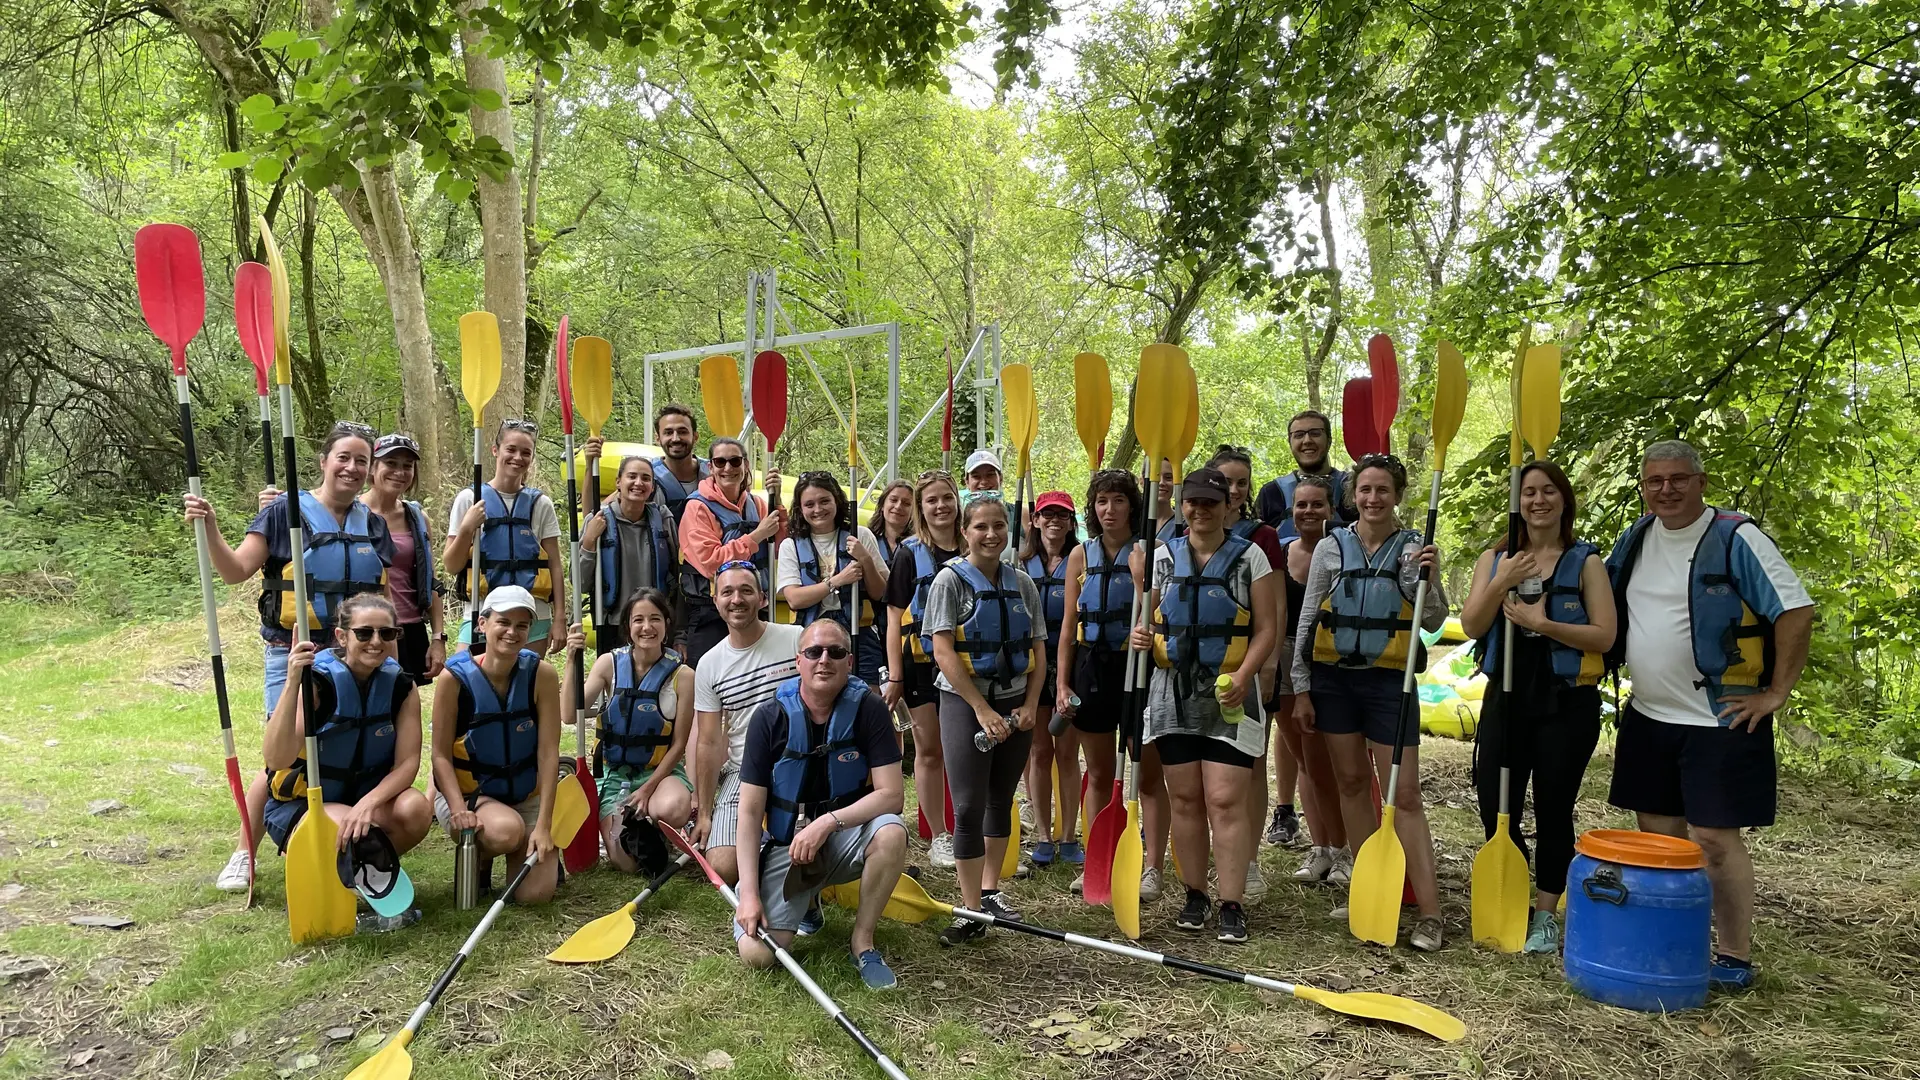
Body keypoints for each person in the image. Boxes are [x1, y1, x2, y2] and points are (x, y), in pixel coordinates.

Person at [1602, 440, 1813, 988]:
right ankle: (1677, 944)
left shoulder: (1736, 538)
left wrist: (1775, 694)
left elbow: (1795, 610)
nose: (1665, 490)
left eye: (1677, 479)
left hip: (1720, 719)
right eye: (1655, 481)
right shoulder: (1638, 537)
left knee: (1715, 840)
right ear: (1644, 488)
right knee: (1660, 837)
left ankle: (1735, 955)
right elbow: (1595, 590)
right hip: (1649, 716)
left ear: (1702, 482)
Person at [183, 421, 394, 892]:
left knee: (340, 748)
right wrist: (212, 527)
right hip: (292, 651)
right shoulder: (283, 513)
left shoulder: (373, 525)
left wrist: (391, 657)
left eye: (362, 461)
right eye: (344, 457)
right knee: (282, 757)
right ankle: (244, 852)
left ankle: (333, 833)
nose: (353, 468)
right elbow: (237, 570)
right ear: (323, 462)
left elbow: (380, 601)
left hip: (352, 657)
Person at [1291, 453, 1449, 951]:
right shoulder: (1331, 547)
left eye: (1382, 490)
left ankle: (1429, 912)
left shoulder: (1414, 549)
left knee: (1403, 797)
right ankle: (1369, 888)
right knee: (1353, 783)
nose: (1373, 499)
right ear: (1352, 495)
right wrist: (1300, 683)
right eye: (1364, 490)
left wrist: (1429, 576)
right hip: (1334, 679)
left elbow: (1433, 620)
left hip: (1389, 683)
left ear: (1397, 495)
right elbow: (1309, 615)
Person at [1459, 461, 1617, 954]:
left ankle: (1546, 915)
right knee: (1495, 805)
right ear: (1518, 502)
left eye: (1549, 491)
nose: (1538, 500)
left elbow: (1605, 635)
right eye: (1529, 493)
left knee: (1554, 809)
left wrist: (1542, 623)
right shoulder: (1497, 557)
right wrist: (1501, 580)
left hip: (1565, 703)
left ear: (1564, 500)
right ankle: (1512, 896)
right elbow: (1471, 625)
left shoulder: (1586, 562)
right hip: (1507, 697)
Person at [1131, 467, 1278, 943]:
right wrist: (1141, 633)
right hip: (1172, 692)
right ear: (1182, 506)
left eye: (1211, 502)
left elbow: (1267, 630)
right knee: (1188, 799)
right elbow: (1149, 621)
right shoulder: (1160, 557)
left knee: (1224, 799)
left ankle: (1231, 901)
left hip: (1229, 692)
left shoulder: (1250, 556)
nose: (1200, 510)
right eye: (1192, 502)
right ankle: (1195, 894)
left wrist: (1244, 675)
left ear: (1227, 506)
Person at [732, 620, 909, 989]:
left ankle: (862, 943)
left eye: (836, 652)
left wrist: (827, 822)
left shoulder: (870, 710)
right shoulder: (769, 718)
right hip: (787, 846)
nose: (824, 660)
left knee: (892, 831)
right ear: (799, 661)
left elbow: (892, 795)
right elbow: (749, 812)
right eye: (814, 652)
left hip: (844, 836)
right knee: (758, 955)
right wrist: (748, 894)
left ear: (849, 662)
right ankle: (806, 899)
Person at [925, 496, 1045, 942]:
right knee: (969, 805)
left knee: (1001, 797)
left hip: (1016, 705)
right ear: (965, 532)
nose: (991, 534)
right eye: (981, 527)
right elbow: (942, 651)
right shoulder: (949, 582)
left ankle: (991, 892)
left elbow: (1038, 651)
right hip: (965, 705)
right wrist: (981, 709)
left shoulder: (1023, 583)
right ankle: (969, 908)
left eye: (998, 526)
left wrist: (1031, 704)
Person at [262, 594, 431, 893]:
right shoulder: (317, 683)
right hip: (306, 804)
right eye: (364, 632)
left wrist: (368, 804)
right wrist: (291, 683)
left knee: (415, 809)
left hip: (362, 800)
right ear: (341, 636)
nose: (376, 641)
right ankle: (338, 871)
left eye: (387, 633)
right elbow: (277, 759)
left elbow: (407, 764)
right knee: (355, 835)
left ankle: (358, 874)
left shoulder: (401, 687)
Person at [1056, 468, 1169, 899]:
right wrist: (1063, 684)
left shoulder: (1152, 552)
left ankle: (1153, 867)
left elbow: (1156, 616)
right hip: (1093, 667)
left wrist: (1141, 578)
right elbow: (1069, 626)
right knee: (1100, 772)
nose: (1109, 510)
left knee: (1147, 772)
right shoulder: (1080, 556)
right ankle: (1097, 859)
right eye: (1102, 501)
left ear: (1132, 506)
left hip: (1140, 667)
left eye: (1118, 501)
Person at [429, 585, 567, 904]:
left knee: (534, 896)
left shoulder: (541, 675)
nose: (512, 632)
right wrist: (458, 808)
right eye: (503, 622)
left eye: (522, 625)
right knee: (507, 831)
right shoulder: (454, 678)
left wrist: (544, 825)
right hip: (471, 796)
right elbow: (438, 755)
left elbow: (548, 753)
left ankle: (533, 850)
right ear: (483, 624)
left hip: (524, 795)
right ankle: (480, 857)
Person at [1192, 446, 1287, 901]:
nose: (1232, 491)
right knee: (1197, 786)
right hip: (1188, 682)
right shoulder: (1178, 541)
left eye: (1240, 484)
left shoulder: (1260, 539)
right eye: (1223, 481)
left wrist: (1265, 667)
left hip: (1243, 674)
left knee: (1246, 771)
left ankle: (1247, 863)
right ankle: (1198, 871)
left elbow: (1275, 612)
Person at [563, 588, 695, 873]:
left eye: (655, 619)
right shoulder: (609, 664)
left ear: (666, 624)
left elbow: (679, 745)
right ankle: (634, 825)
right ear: (628, 627)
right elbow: (568, 714)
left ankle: (658, 825)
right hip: (614, 774)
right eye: (638, 620)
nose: (647, 627)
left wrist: (647, 790)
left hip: (659, 774)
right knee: (627, 865)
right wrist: (571, 659)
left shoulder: (683, 676)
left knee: (673, 808)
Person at [693, 564, 805, 888]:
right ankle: (772, 849)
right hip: (743, 770)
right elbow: (709, 742)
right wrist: (704, 812)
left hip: (798, 765)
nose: (736, 599)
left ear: (763, 598)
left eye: (746, 590)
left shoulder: (795, 640)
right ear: (715, 601)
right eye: (727, 592)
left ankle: (777, 847)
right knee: (724, 866)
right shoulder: (709, 665)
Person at [1268, 476, 1350, 885]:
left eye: (1317, 505)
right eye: (1301, 505)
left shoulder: (1342, 553)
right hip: (1284, 661)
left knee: (1326, 764)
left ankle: (1343, 849)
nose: (1309, 512)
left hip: (1325, 661)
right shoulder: (1279, 555)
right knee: (1303, 759)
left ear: (1331, 510)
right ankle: (1321, 850)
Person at [883, 470, 963, 870]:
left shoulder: (977, 544)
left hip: (970, 664)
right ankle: (940, 836)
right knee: (930, 750)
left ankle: (973, 831)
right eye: (931, 500)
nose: (940, 506)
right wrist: (895, 675)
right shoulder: (908, 553)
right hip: (920, 664)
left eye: (946, 497)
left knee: (967, 751)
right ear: (920, 508)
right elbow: (895, 615)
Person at [444, 419, 566, 657]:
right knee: (467, 681)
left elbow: (555, 565)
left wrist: (560, 617)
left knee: (526, 687)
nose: (517, 457)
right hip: (482, 612)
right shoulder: (470, 499)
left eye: (525, 452)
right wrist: (467, 528)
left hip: (534, 614)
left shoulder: (540, 504)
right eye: (511, 449)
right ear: (495, 450)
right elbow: (451, 565)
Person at [677, 437, 786, 667]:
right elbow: (711, 563)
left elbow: (781, 548)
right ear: (711, 467)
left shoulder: (757, 504)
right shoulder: (697, 507)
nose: (728, 468)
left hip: (754, 608)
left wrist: (778, 502)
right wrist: (755, 536)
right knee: (708, 679)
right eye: (720, 462)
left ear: (745, 465)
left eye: (735, 461)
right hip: (711, 612)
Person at [775, 472, 890, 686]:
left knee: (869, 697)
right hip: (812, 633)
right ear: (801, 509)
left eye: (824, 501)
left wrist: (865, 559)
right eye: (810, 504)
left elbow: (881, 593)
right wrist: (837, 580)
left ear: (836, 500)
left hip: (858, 632)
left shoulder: (860, 535)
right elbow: (794, 599)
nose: (818, 509)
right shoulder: (791, 546)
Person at [1022, 491, 1082, 867]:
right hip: (1031, 667)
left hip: (1069, 665)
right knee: (1039, 753)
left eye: (1062, 515)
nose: (1054, 521)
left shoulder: (1081, 560)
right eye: (1048, 514)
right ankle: (1043, 835)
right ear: (1036, 520)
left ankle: (1069, 835)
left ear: (1072, 522)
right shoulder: (1020, 563)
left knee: (1067, 753)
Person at [363, 433, 446, 684]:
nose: (399, 472)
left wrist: (438, 638)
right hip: (367, 629)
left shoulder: (418, 518)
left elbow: (429, 581)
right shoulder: (352, 514)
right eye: (391, 463)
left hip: (410, 628)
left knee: (405, 707)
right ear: (372, 467)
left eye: (407, 466)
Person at [579, 453, 681, 655]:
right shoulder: (597, 520)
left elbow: (678, 575)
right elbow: (581, 582)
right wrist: (589, 541)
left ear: (652, 486)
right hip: (612, 624)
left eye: (645, 478)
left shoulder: (663, 520)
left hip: (655, 625)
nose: (638, 483)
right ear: (618, 482)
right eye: (631, 476)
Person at [1254, 410, 1354, 541]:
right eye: (1299, 435)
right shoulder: (1271, 493)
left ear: (1329, 441)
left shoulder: (1352, 487)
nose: (1307, 440)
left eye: (1315, 433)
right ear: (1290, 443)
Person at [865, 480, 915, 683]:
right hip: (876, 628)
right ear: (883, 503)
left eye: (906, 503)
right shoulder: (868, 541)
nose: (898, 507)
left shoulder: (919, 545)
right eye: (893, 500)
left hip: (910, 630)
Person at [650, 403, 711, 523]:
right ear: (658, 438)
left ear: (695, 436)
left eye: (682, 432)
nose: (676, 438)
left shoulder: (714, 471)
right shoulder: (647, 474)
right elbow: (608, 507)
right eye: (668, 432)